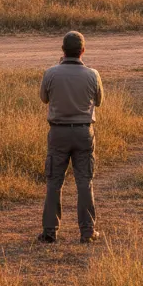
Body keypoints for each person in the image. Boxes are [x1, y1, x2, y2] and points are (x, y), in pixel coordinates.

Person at [39, 30, 104, 244]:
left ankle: (50, 231)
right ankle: (87, 231)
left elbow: (44, 98)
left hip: (58, 132)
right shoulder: (93, 74)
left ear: (62, 50)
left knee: (54, 182)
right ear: (82, 51)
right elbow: (99, 101)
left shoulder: (51, 73)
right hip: (84, 131)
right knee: (85, 182)